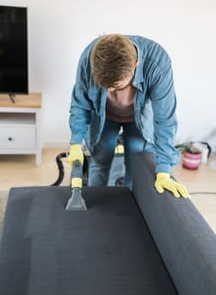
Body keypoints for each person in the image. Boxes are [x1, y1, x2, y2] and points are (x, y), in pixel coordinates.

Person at [68, 34, 189, 198]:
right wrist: (75, 142)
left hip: (138, 119)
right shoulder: (88, 58)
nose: (109, 90)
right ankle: (95, 203)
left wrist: (164, 171)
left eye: (115, 85)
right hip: (104, 116)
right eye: (105, 86)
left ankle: (128, 202)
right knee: (100, 159)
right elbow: (80, 103)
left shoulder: (158, 64)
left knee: (136, 162)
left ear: (136, 66)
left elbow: (165, 120)